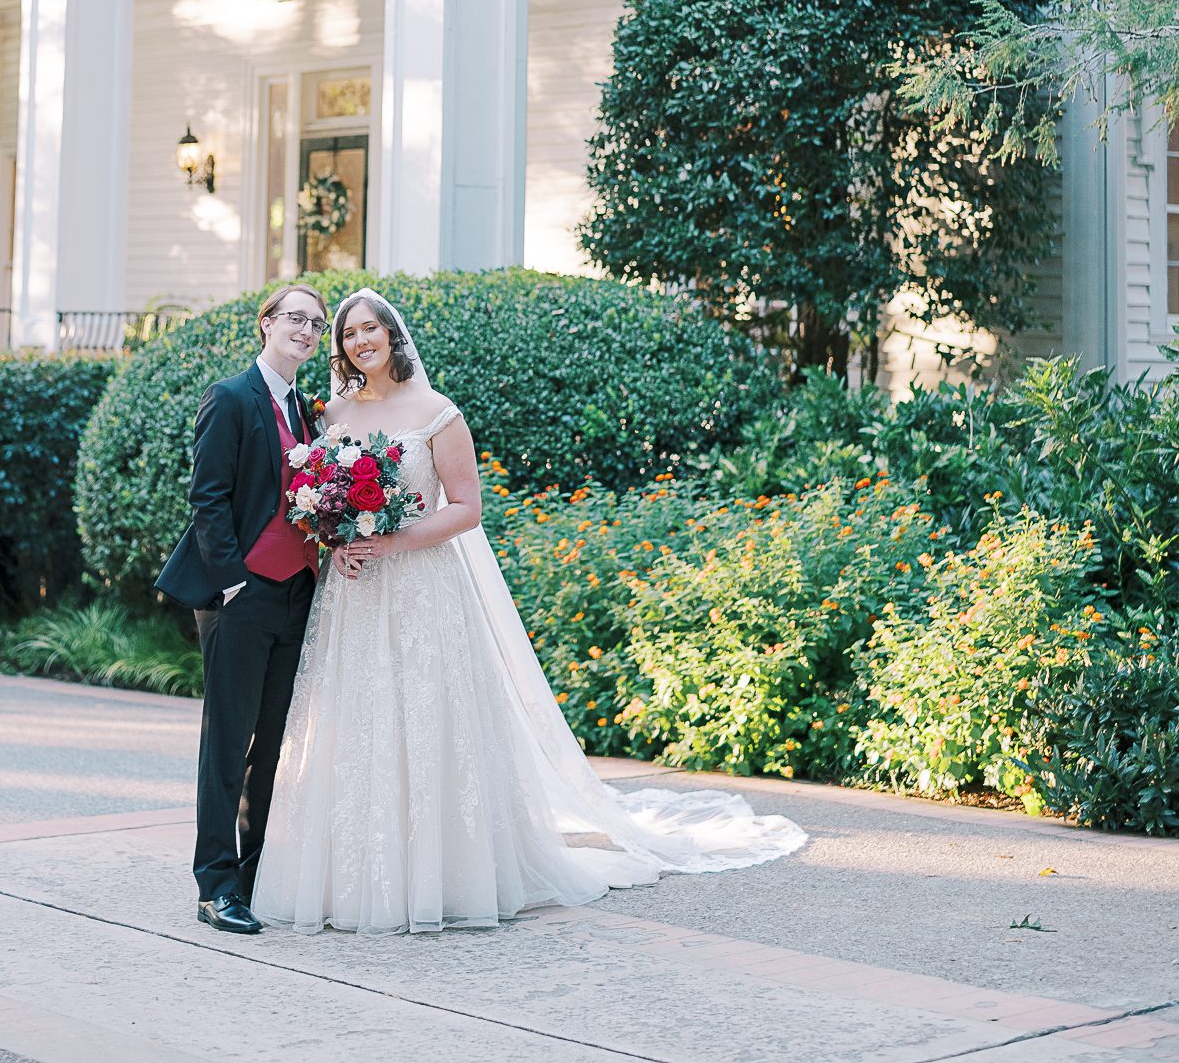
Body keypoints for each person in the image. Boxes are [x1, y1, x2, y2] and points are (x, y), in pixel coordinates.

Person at [251, 288, 807, 935]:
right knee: (358, 722)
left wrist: (392, 540)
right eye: (348, 334)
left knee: (428, 720)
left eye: (370, 328)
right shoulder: (332, 413)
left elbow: (465, 508)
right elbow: (322, 499)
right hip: (357, 594)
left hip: (423, 590)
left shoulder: (437, 412)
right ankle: (354, 876)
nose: (358, 341)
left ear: (393, 337)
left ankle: (441, 875)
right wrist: (342, 544)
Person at [155, 281, 329, 935]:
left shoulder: (309, 413)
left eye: (315, 323)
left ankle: (252, 879)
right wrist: (231, 585)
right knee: (228, 745)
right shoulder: (230, 398)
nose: (305, 330)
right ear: (266, 323)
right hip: (242, 597)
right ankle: (215, 885)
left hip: (297, 595)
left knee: (271, 746)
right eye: (294, 317)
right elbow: (209, 499)